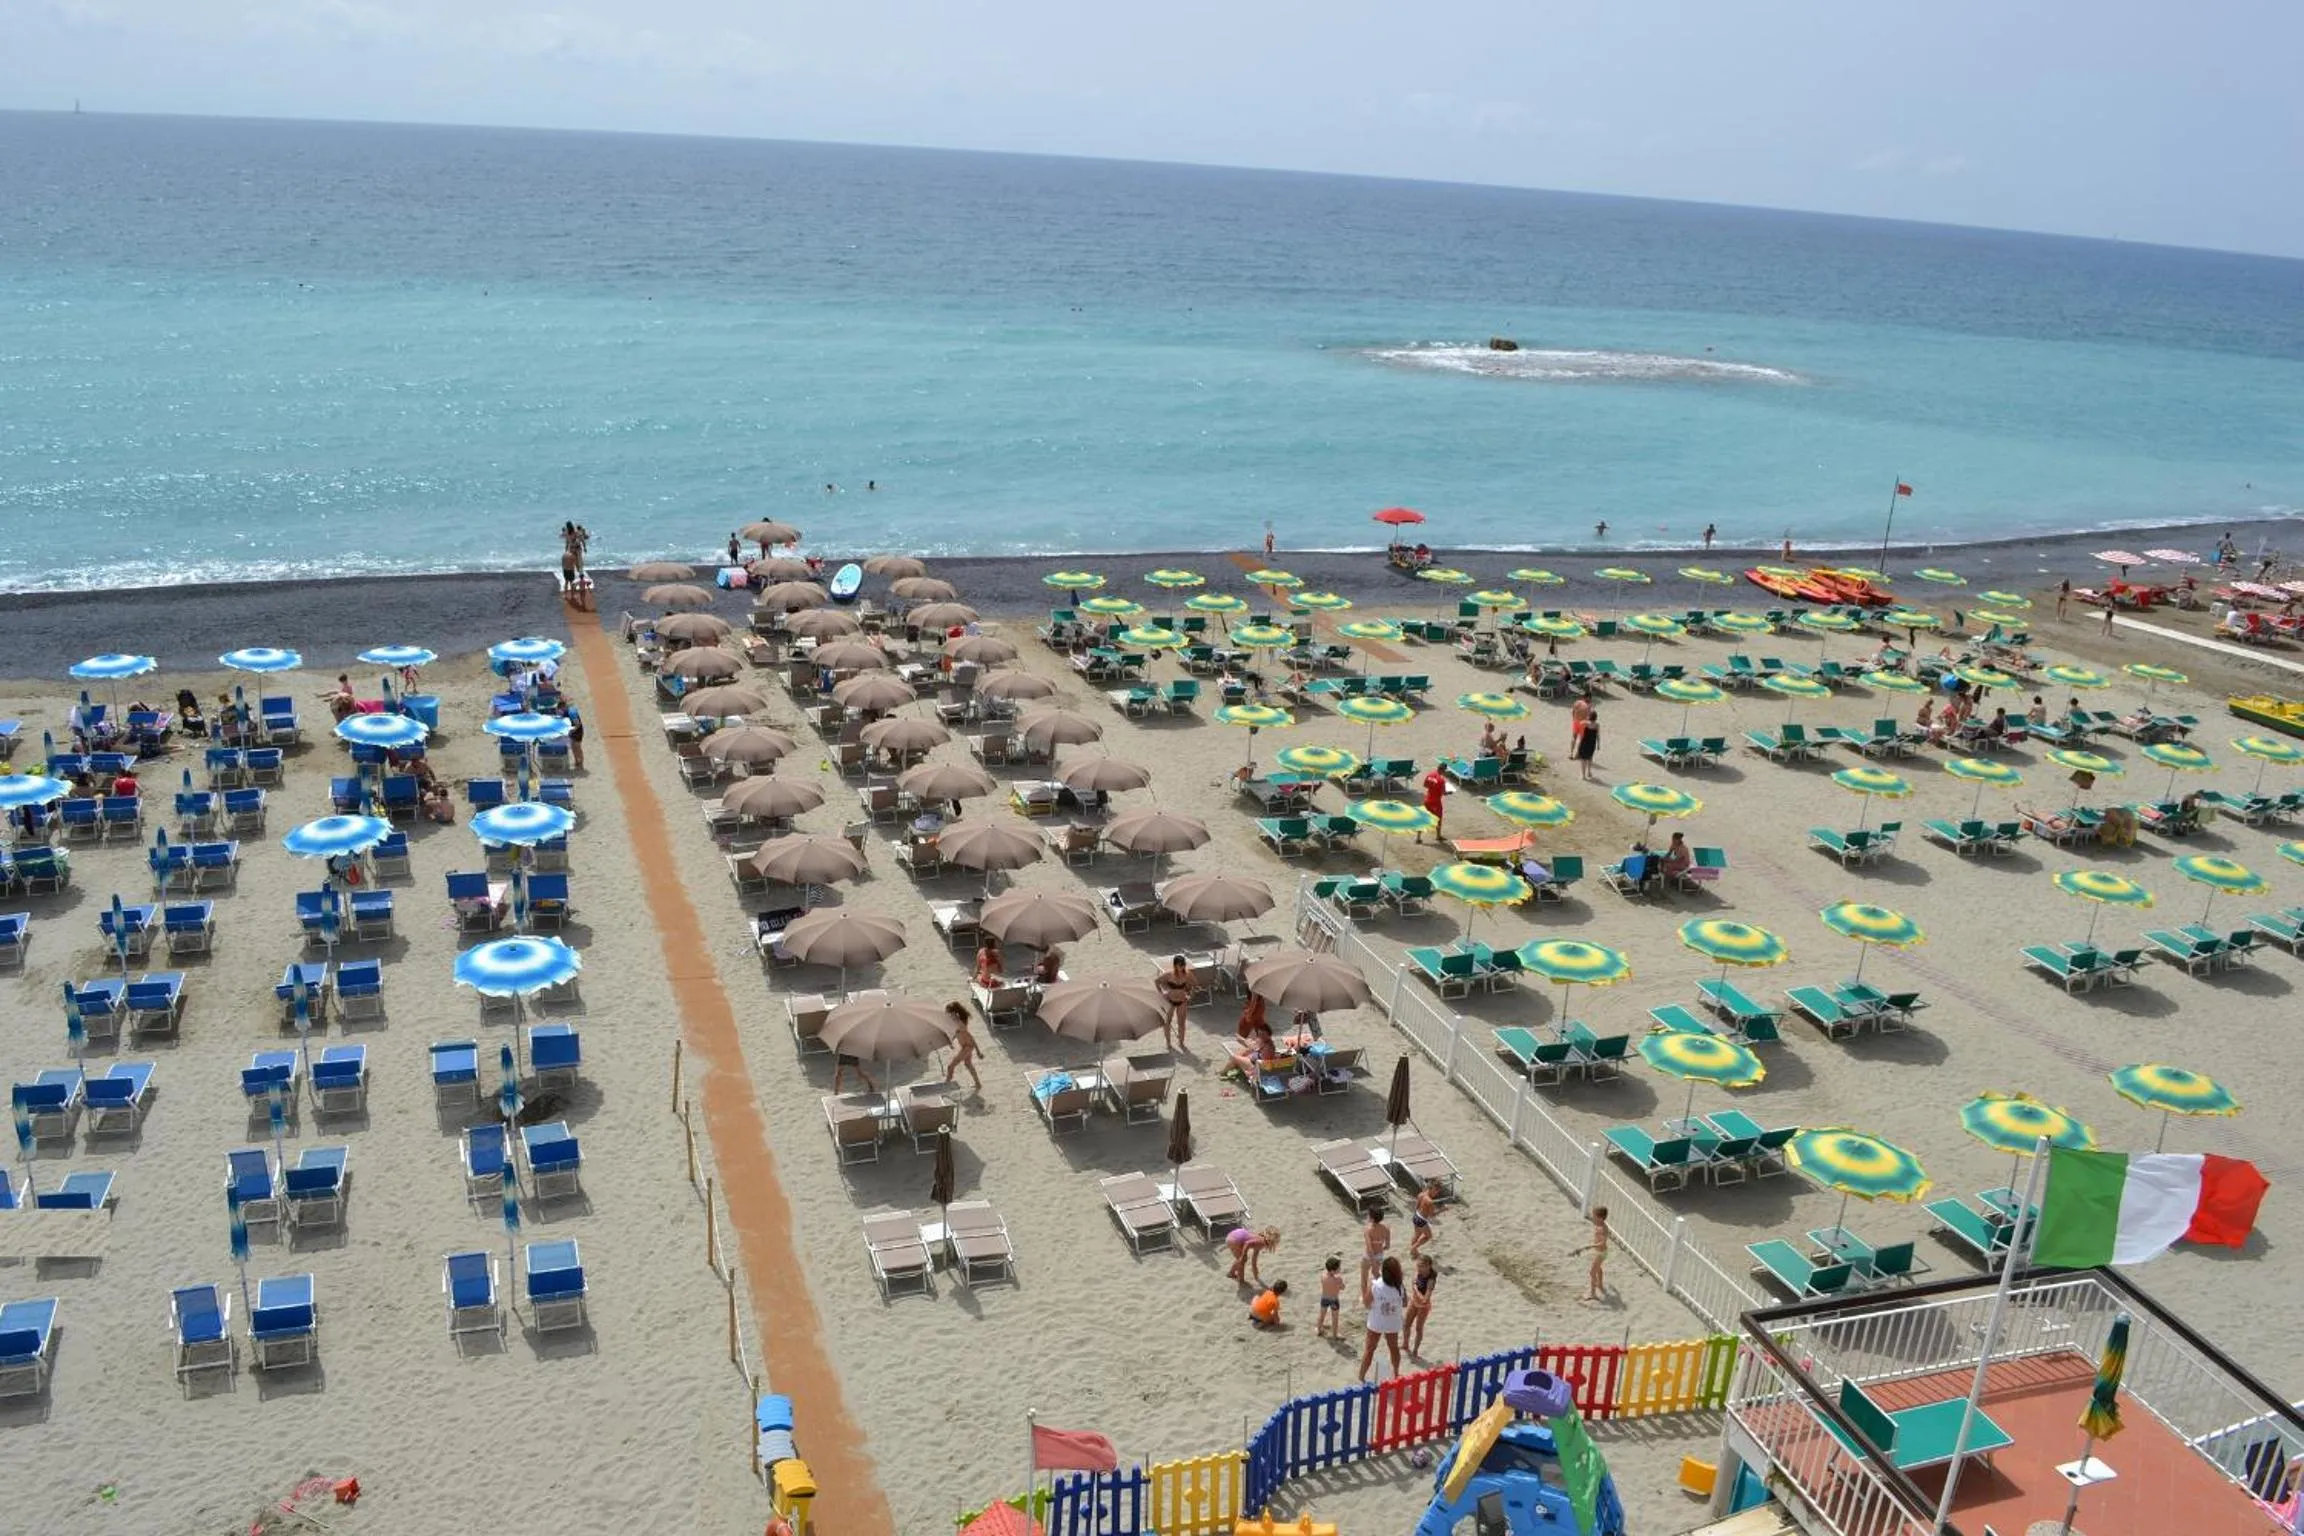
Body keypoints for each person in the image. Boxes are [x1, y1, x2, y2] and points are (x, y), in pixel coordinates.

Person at [1359, 1256, 1407, 1382]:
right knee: (1394, 1348)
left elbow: (1366, 1303)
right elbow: (1405, 1303)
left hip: (1377, 1322)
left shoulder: (1376, 1285)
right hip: (1392, 1323)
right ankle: (1396, 1373)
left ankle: (1361, 1377)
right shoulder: (1400, 1286)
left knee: (1369, 1350)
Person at [1155, 955, 1194, 1051]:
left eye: (1183, 965)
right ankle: (1168, 1043)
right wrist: (1162, 993)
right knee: (1167, 1023)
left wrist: (1190, 995)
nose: (1182, 967)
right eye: (1180, 965)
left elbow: (1193, 985)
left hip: (1182, 1001)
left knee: (1181, 1023)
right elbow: (1157, 982)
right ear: (1175, 965)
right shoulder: (1168, 974)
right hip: (1169, 1001)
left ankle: (1181, 1042)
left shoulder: (1188, 974)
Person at [1403, 1255, 1439, 1358]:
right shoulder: (1419, 1272)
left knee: (1419, 1329)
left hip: (1423, 1307)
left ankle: (1415, 1350)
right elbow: (1415, 1280)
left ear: (1428, 1266)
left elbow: (1425, 1300)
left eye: (1421, 1266)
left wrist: (1415, 1289)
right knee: (1406, 1324)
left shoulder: (1431, 1280)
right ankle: (1405, 1345)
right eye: (1418, 1266)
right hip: (1413, 1302)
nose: (1418, 1268)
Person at [943, 1001, 982, 1091]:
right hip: (965, 1046)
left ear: (953, 1013)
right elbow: (955, 1034)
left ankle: (947, 1084)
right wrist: (951, 1042)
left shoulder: (960, 1024)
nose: (947, 1015)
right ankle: (978, 1084)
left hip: (968, 1046)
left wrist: (978, 1051)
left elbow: (971, 1038)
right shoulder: (955, 1023)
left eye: (948, 1013)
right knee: (968, 1064)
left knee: (951, 1066)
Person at [1576, 1207, 1611, 1301]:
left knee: (1592, 1272)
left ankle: (1592, 1293)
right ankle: (1600, 1284)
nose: (1593, 1218)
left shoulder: (1602, 1229)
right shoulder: (1600, 1225)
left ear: (1600, 1218)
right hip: (1600, 1252)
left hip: (1601, 1253)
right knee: (1598, 1268)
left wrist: (1590, 1246)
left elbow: (1602, 1242)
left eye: (1594, 1216)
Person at [1359, 1207, 1392, 1303]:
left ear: (1372, 1218)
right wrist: (1380, 1247)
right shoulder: (1386, 1229)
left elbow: (1369, 1248)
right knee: (1377, 1278)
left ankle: (1365, 1299)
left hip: (1368, 1257)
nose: (1367, 1216)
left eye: (1369, 1215)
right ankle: (1381, 1295)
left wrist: (1372, 1261)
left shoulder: (1368, 1230)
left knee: (1364, 1279)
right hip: (1379, 1256)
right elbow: (1388, 1246)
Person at [1315, 1256, 1346, 1338]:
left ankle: (1318, 1329)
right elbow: (1342, 1287)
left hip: (1324, 1298)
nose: (1340, 1269)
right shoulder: (1338, 1279)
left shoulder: (1323, 1276)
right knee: (1335, 1318)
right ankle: (1335, 1334)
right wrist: (1340, 1282)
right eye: (1338, 1268)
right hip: (1334, 1299)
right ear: (1333, 1270)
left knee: (1322, 1315)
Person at [1408, 1179, 1441, 1256]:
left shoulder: (1421, 1194)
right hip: (1421, 1220)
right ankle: (1413, 1249)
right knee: (1428, 1236)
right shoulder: (1430, 1201)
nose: (1437, 1193)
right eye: (1436, 1191)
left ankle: (1414, 1251)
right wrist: (1442, 1210)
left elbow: (1416, 1207)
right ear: (1431, 1188)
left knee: (1417, 1235)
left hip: (1416, 1216)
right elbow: (1432, 1215)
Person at [1574, 703, 1600, 781]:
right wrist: (1599, 744)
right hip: (1592, 743)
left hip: (1584, 743)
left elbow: (1580, 723)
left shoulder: (1586, 723)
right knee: (1590, 758)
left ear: (1589, 716)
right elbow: (1598, 735)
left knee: (1583, 759)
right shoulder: (1597, 725)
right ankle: (1589, 772)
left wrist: (1586, 719)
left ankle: (1583, 775)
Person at [1420, 766, 1447, 839]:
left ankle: (1418, 838)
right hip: (1436, 802)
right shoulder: (1441, 780)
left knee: (1423, 818)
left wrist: (1432, 787)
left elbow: (1425, 785)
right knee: (1438, 819)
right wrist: (1448, 792)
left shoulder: (1430, 775)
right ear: (1443, 770)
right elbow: (1444, 793)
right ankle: (1438, 836)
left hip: (1427, 800)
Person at [565, 703, 585, 770]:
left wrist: (571, 731)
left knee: (578, 747)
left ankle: (581, 764)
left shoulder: (572, 713)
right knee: (573, 747)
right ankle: (576, 762)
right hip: (573, 730)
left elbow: (578, 724)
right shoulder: (567, 711)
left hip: (578, 732)